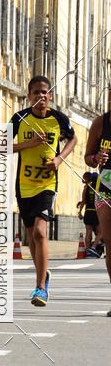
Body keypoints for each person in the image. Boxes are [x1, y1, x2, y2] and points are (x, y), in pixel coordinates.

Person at [10, 75, 77, 307]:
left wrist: (59, 159)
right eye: (36, 92)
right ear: (28, 96)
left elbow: (73, 139)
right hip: (24, 185)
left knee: (40, 232)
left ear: (50, 96)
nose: (40, 96)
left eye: (44, 92)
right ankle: (43, 274)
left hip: (47, 184)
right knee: (32, 238)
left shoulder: (58, 119)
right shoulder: (19, 119)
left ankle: (40, 288)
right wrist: (28, 145)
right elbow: (0, 145)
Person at [84, 100, 111, 314]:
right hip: (105, 190)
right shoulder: (101, 123)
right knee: (110, 243)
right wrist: (96, 158)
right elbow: (88, 158)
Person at [77, 172, 103, 257]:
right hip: (96, 212)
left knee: (88, 233)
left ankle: (87, 251)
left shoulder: (86, 188)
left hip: (88, 212)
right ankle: (94, 247)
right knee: (101, 232)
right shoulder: (99, 189)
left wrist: (80, 211)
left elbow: (83, 201)